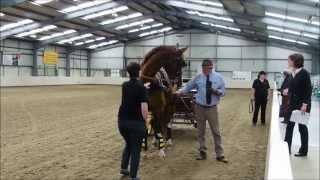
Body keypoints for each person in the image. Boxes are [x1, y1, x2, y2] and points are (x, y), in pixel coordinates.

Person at [177, 59, 228, 163]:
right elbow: (188, 86)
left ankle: (220, 154)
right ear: (202, 67)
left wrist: (216, 91)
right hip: (199, 107)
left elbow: (223, 92)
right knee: (200, 131)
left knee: (216, 131)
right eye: (204, 68)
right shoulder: (198, 77)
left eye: (208, 68)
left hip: (212, 108)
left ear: (211, 67)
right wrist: (180, 92)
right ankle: (202, 152)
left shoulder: (219, 78)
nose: (206, 70)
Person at [118, 62, 148, 180]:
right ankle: (134, 176)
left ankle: (124, 168)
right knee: (136, 149)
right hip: (136, 123)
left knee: (129, 144)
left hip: (122, 122)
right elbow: (144, 108)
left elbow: (132, 91)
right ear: (139, 72)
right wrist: (145, 121)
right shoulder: (142, 87)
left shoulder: (124, 85)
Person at [284, 54, 312, 157]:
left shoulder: (305, 73)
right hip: (293, 104)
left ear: (295, 61)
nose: (288, 62)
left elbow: (308, 90)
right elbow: (294, 87)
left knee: (302, 128)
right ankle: (286, 149)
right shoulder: (293, 73)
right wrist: (288, 90)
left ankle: (304, 150)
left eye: (289, 60)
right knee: (289, 126)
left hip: (302, 105)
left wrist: (305, 104)